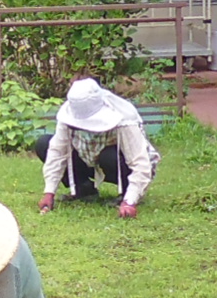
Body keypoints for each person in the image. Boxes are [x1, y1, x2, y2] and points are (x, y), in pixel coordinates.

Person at [33, 77, 156, 219]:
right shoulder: (68, 113)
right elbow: (57, 151)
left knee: (108, 156)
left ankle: (126, 194)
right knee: (44, 144)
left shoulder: (124, 117)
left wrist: (130, 201)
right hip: (87, 158)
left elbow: (140, 163)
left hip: (115, 164)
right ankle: (84, 189)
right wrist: (49, 192)